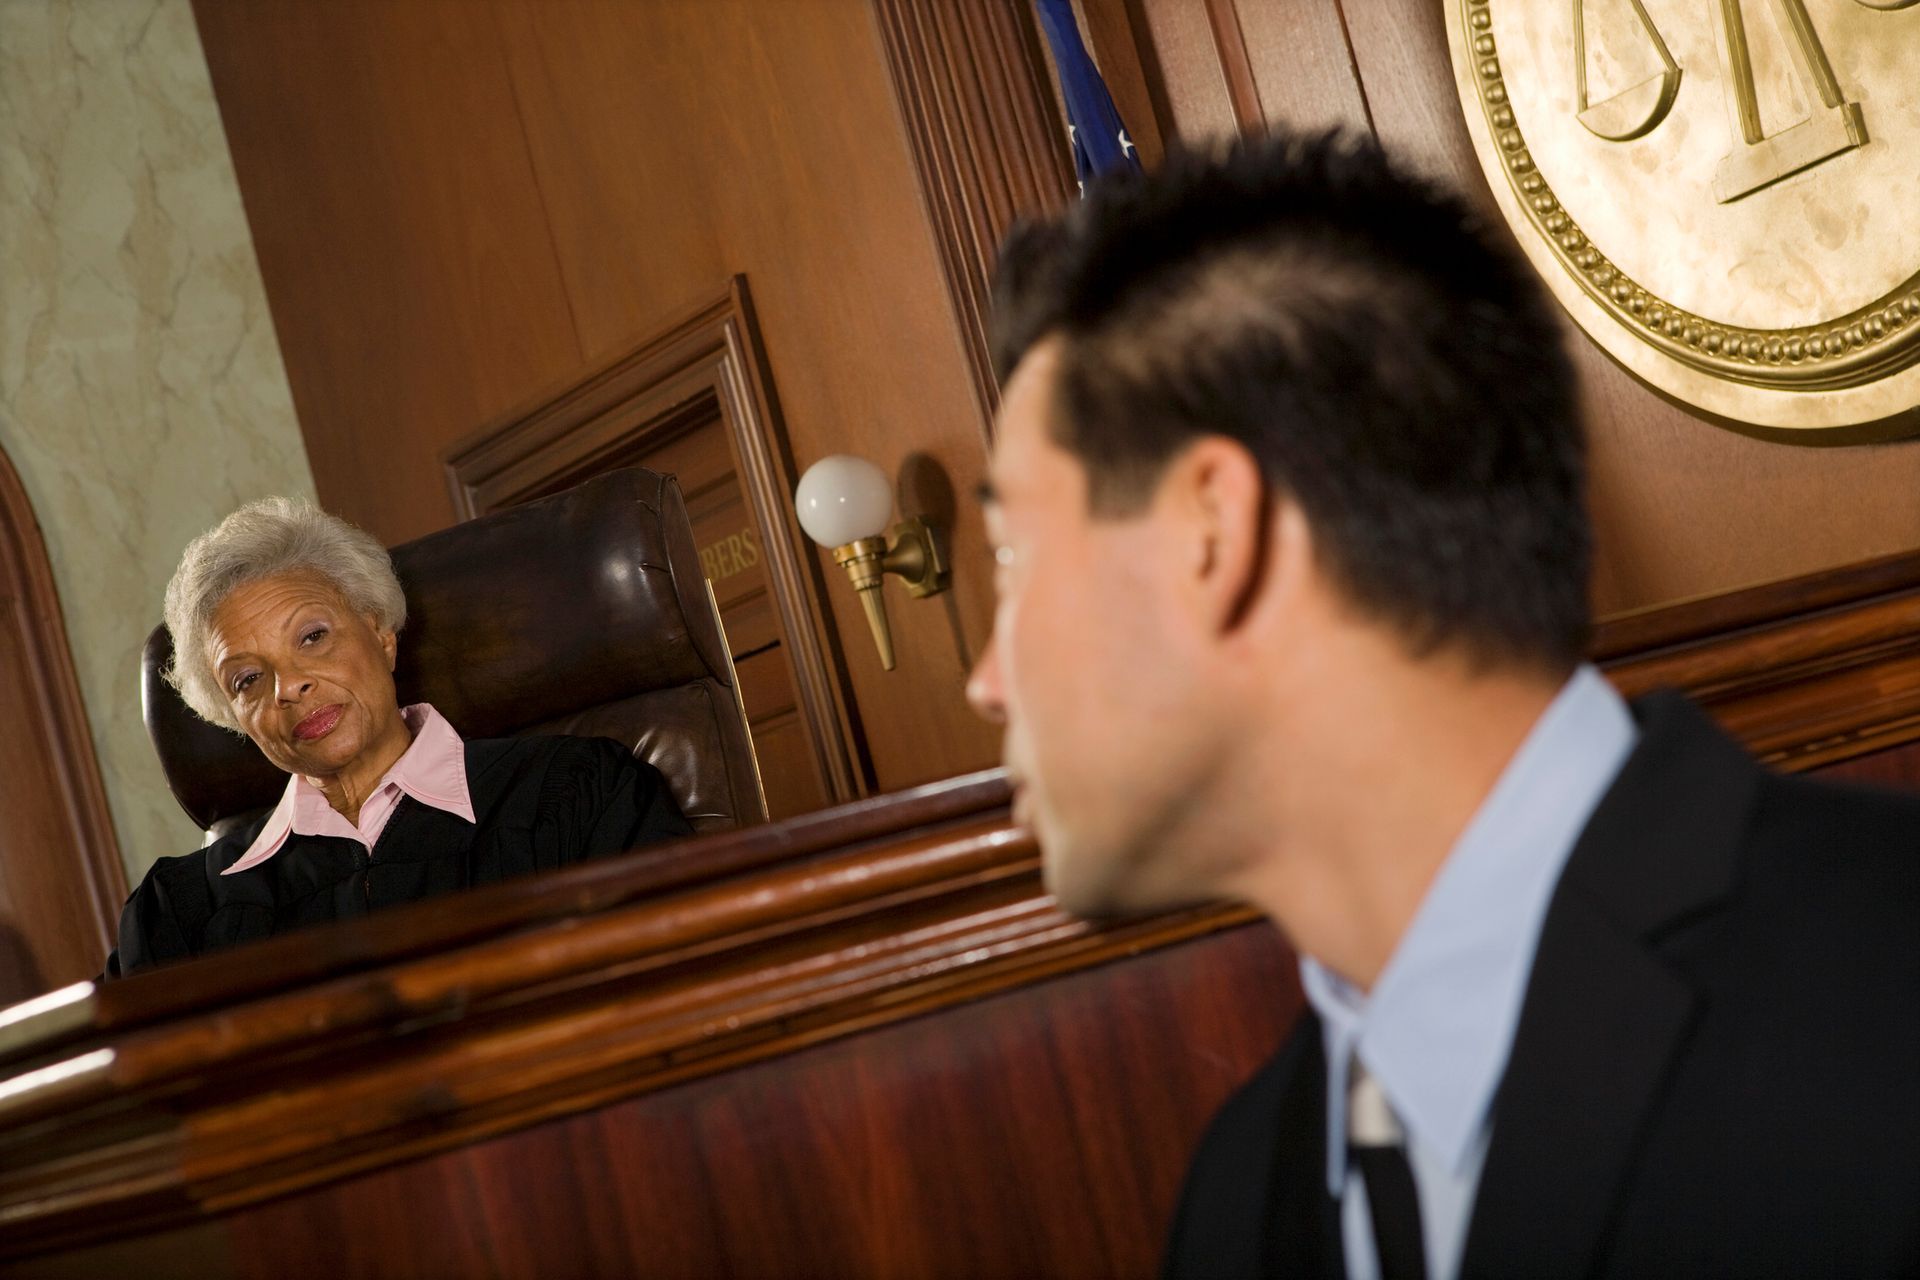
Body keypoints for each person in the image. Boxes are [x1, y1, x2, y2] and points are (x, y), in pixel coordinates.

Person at [967, 132, 1920, 1278]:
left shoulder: (1891, 982)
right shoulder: (1237, 1195)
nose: (985, 683)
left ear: (1208, 534)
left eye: (1012, 554)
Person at [108, 497, 691, 976]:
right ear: (234, 717)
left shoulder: (574, 791)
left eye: (312, 637)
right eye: (248, 679)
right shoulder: (179, 914)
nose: (289, 686)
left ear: (381, 634)